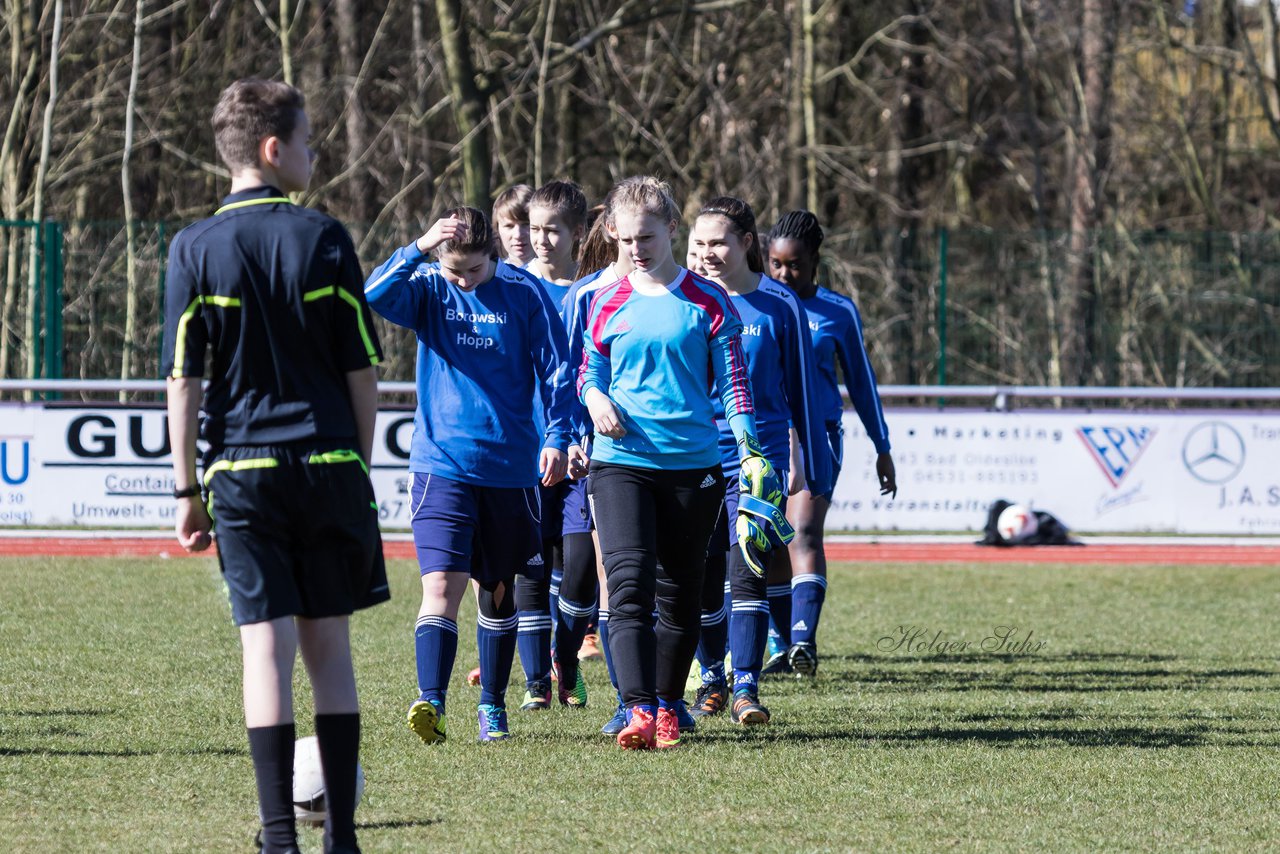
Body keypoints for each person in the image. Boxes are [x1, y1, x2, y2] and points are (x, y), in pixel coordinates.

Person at [163, 78, 387, 854]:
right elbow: (364, 372)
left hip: (241, 475)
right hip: (327, 463)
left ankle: (278, 838)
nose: (315, 152)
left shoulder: (193, 248)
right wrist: (353, 464)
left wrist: (187, 488)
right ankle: (344, 840)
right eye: (309, 141)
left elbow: (183, 380)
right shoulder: (324, 237)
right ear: (272, 149)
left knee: (265, 650)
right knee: (330, 650)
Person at [579, 176, 787, 749]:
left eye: (645, 236)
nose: (636, 249)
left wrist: (749, 451)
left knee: (681, 592)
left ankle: (670, 705)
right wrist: (595, 400)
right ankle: (638, 709)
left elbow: (733, 385)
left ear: (671, 227)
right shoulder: (605, 300)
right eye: (625, 239)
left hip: (693, 466)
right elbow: (589, 371)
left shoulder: (708, 300)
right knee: (626, 586)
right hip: (619, 462)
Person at [363, 206, 572, 744]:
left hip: (509, 469)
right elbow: (374, 295)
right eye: (453, 268)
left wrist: (556, 437)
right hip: (441, 466)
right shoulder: (429, 285)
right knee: (439, 586)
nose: (462, 280)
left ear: (494, 259)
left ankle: (491, 704)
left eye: (473, 271)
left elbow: (558, 372)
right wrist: (419, 245)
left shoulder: (525, 294)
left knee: (498, 590)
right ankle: (431, 702)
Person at [687, 197, 831, 725]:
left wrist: (811, 465)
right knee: (702, 575)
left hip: (759, 459)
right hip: (694, 454)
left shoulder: (780, 305)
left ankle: (746, 686)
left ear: (747, 243)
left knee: (746, 567)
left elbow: (803, 395)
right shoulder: (684, 299)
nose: (707, 254)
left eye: (718, 242)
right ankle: (709, 677)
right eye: (698, 244)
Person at [765, 210, 897, 675]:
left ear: (815, 260)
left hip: (818, 435)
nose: (784, 274)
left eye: (794, 264)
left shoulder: (837, 312)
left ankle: (803, 642)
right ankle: (778, 647)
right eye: (776, 264)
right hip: (764, 437)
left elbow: (861, 383)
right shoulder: (756, 305)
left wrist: (882, 446)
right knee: (767, 538)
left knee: (803, 530)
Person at [518, 179, 590, 710]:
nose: (541, 239)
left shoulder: (591, 293)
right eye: (534, 228)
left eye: (552, 230)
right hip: (523, 451)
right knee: (529, 566)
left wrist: (583, 437)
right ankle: (535, 680)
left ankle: (566, 658)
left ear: (577, 234)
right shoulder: (511, 288)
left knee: (582, 570)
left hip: (583, 455)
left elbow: (596, 373)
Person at [493, 184, 535, 267]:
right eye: (509, 226)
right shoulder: (491, 276)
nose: (518, 235)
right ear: (497, 230)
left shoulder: (559, 276)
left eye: (526, 224)